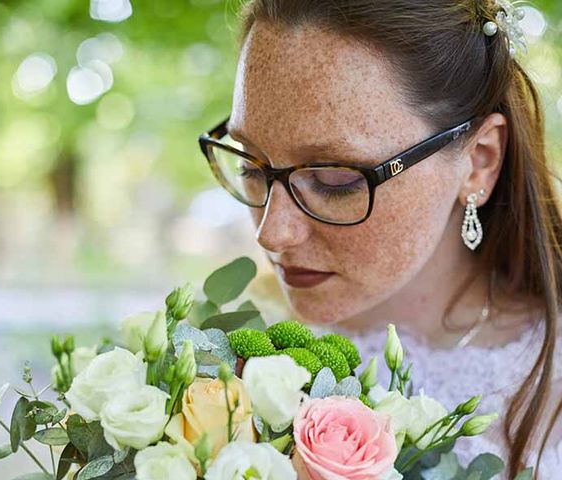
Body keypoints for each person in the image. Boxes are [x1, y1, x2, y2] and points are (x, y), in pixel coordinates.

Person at [197, 0, 562, 478]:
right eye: (250, 165)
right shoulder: (224, 356)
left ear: (479, 162)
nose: (273, 232)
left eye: (335, 179)